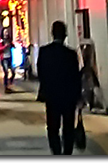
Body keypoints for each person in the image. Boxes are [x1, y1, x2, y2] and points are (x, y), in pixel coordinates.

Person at [37, 21, 82, 157]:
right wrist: (79, 96)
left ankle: (56, 152)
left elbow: (41, 73)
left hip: (51, 96)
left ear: (52, 34)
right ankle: (67, 153)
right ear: (65, 35)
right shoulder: (71, 54)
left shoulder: (44, 52)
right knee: (68, 127)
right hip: (69, 97)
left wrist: (45, 89)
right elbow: (76, 77)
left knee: (52, 127)